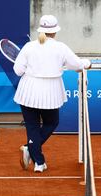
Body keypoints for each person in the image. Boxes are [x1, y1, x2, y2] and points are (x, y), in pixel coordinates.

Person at [13, 15, 91, 173]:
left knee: (32, 127)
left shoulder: (28, 47)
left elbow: (18, 70)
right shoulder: (61, 47)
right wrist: (87, 63)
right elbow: (77, 65)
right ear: (55, 32)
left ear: (40, 30)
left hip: (28, 92)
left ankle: (35, 156)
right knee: (51, 123)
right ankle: (36, 159)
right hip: (50, 92)